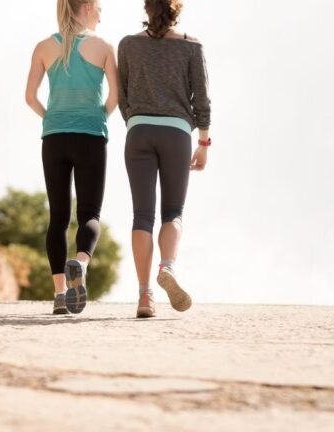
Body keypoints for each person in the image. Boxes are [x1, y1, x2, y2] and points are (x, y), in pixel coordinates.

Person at [118, 0, 212, 318]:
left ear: (147, 9)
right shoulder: (192, 46)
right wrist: (203, 142)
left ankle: (145, 297)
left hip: (139, 131)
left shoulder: (128, 45)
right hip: (176, 134)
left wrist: (135, 121)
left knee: (141, 216)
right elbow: (202, 97)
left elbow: (122, 95)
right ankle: (167, 267)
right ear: (177, 10)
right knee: (173, 211)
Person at [25, 0, 118, 315]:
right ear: (88, 7)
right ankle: (80, 263)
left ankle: (60, 296)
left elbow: (30, 97)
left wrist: (50, 118)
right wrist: (97, 117)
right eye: (100, 6)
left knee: (58, 217)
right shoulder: (103, 47)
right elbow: (116, 98)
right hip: (90, 136)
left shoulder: (42, 47)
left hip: (53, 137)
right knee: (90, 215)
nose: (102, 12)